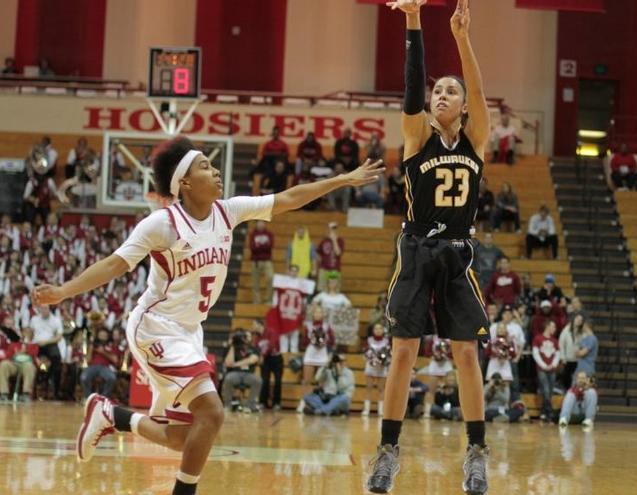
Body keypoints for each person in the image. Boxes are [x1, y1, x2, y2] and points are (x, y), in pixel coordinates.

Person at [31, 134, 383, 495]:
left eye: (214, 166)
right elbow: (113, 265)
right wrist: (62, 292)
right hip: (156, 328)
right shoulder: (162, 224)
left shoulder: (228, 212)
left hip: (189, 332)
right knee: (213, 413)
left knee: (185, 437)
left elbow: (290, 198)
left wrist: (341, 179)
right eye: (205, 167)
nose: (216, 173)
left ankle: (112, 415)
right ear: (184, 182)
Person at [367, 1, 492, 493]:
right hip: (417, 250)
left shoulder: (475, 139)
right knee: (403, 352)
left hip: (459, 253)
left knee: (466, 355)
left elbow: (479, 91)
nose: (442, 94)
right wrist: (414, 20)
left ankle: (476, 453)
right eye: (438, 90)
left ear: (462, 106)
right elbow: (411, 86)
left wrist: (461, 38)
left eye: (450, 91)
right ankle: (387, 451)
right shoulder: (417, 137)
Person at [296, 305, 337, 413]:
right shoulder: (308, 326)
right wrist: (310, 339)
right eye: (316, 312)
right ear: (313, 314)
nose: (318, 314)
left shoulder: (327, 326)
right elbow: (304, 342)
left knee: (321, 382)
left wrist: (324, 342)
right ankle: (303, 403)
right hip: (311, 353)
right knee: (306, 381)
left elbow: (332, 342)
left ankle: (318, 404)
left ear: (323, 314)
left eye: (320, 312)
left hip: (322, 354)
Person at [221, 330, 262, 413]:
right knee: (228, 378)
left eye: (248, 336)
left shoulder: (254, 348)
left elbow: (252, 360)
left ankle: (249, 405)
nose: (246, 338)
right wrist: (232, 346)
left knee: (258, 380)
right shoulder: (233, 348)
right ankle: (227, 405)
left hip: (249, 374)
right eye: (244, 336)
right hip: (235, 373)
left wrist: (235, 364)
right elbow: (228, 363)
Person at [29, 304, 63, 399]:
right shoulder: (34, 319)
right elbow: (30, 333)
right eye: (42, 308)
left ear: (49, 309)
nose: (44, 310)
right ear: (39, 309)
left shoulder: (56, 320)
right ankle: (37, 385)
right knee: (34, 361)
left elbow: (59, 337)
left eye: (46, 308)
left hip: (50, 343)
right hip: (37, 344)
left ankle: (53, 387)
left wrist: (46, 341)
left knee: (57, 359)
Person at [80, 327, 122, 400]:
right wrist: (91, 348)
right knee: (84, 377)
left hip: (105, 367)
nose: (102, 337)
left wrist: (103, 352)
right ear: (98, 336)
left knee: (111, 378)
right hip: (93, 366)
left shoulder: (111, 346)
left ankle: (103, 399)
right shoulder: (93, 345)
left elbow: (115, 360)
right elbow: (88, 360)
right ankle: (89, 398)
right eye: (101, 335)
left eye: (104, 335)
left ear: (107, 336)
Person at [0, 327, 39, 402]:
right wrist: (17, 353)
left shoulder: (34, 346)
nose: (26, 334)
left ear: (32, 335)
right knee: (4, 364)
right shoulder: (14, 344)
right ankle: (3, 393)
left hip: (26, 366)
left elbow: (33, 357)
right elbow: (8, 356)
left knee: (29, 366)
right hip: (14, 365)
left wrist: (26, 348)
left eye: (28, 333)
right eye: (24, 332)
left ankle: (26, 394)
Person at [532, 320, 560, 421]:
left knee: (550, 391)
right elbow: (535, 353)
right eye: (553, 327)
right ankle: (549, 412)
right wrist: (543, 365)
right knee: (546, 390)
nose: (555, 329)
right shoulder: (538, 338)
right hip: (541, 369)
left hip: (552, 369)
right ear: (547, 326)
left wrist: (553, 365)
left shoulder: (555, 341)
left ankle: (544, 412)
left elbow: (557, 354)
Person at [363, 323, 391, 417]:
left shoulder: (387, 341)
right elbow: (365, 352)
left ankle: (381, 411)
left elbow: (389, 353)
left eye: (380, 328)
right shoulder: (369, 340)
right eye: (376, 328)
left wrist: (385, 360)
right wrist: (370, 358)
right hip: (371, 366)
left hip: (382, 367)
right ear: (373, 330)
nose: (378, 330)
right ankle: (366, 410)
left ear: (383, 330)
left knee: (381, 389)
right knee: (368, 388)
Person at [255, 319, 284, 411]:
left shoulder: (271, 332)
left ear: (260, 325)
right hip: (266, 360)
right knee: (264, 381)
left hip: (276, 359)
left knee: (278, 381)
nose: (253, 327)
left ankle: (277, 403)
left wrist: (262, 355)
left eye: (254, 324)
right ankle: (263, 402)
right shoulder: (257, 337)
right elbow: (256, 348)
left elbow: (271, 345)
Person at [249, 220, 274, 304]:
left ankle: (269, 299)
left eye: (262, 222)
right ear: (256, 224)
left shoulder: (269, 234)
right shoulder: (253, 234)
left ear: (264, 224)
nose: (260, 224)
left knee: (270, 278)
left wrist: (259, 246)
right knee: (255, 282)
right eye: (259, 223)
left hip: (267, 261)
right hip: (255, 261)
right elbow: (252, 248)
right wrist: (264, 245)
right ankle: (257, 300)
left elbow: (270, 246)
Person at [559, 313, 587, 389]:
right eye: (577, 318)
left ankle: (575, 393)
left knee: (576, 378)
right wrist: (562, 357)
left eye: (581, 320)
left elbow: (585, 345)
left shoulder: (583, 332)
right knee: (566, 378)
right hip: (567, 359)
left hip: (577, 360)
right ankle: (567, 393)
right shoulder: (566, 329)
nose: (578, 321)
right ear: (573, 319)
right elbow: (561, 344)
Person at [316, 222, 344, 291]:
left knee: (334, 289)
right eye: (331, 229)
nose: (332, 231)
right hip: (324, 269)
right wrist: (319, 266)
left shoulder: (340, 241)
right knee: (322, 289)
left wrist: (334, 240)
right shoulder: (323, 241)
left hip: (335, 269)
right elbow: (318, 253)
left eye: (334, 229)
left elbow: (338, 253)